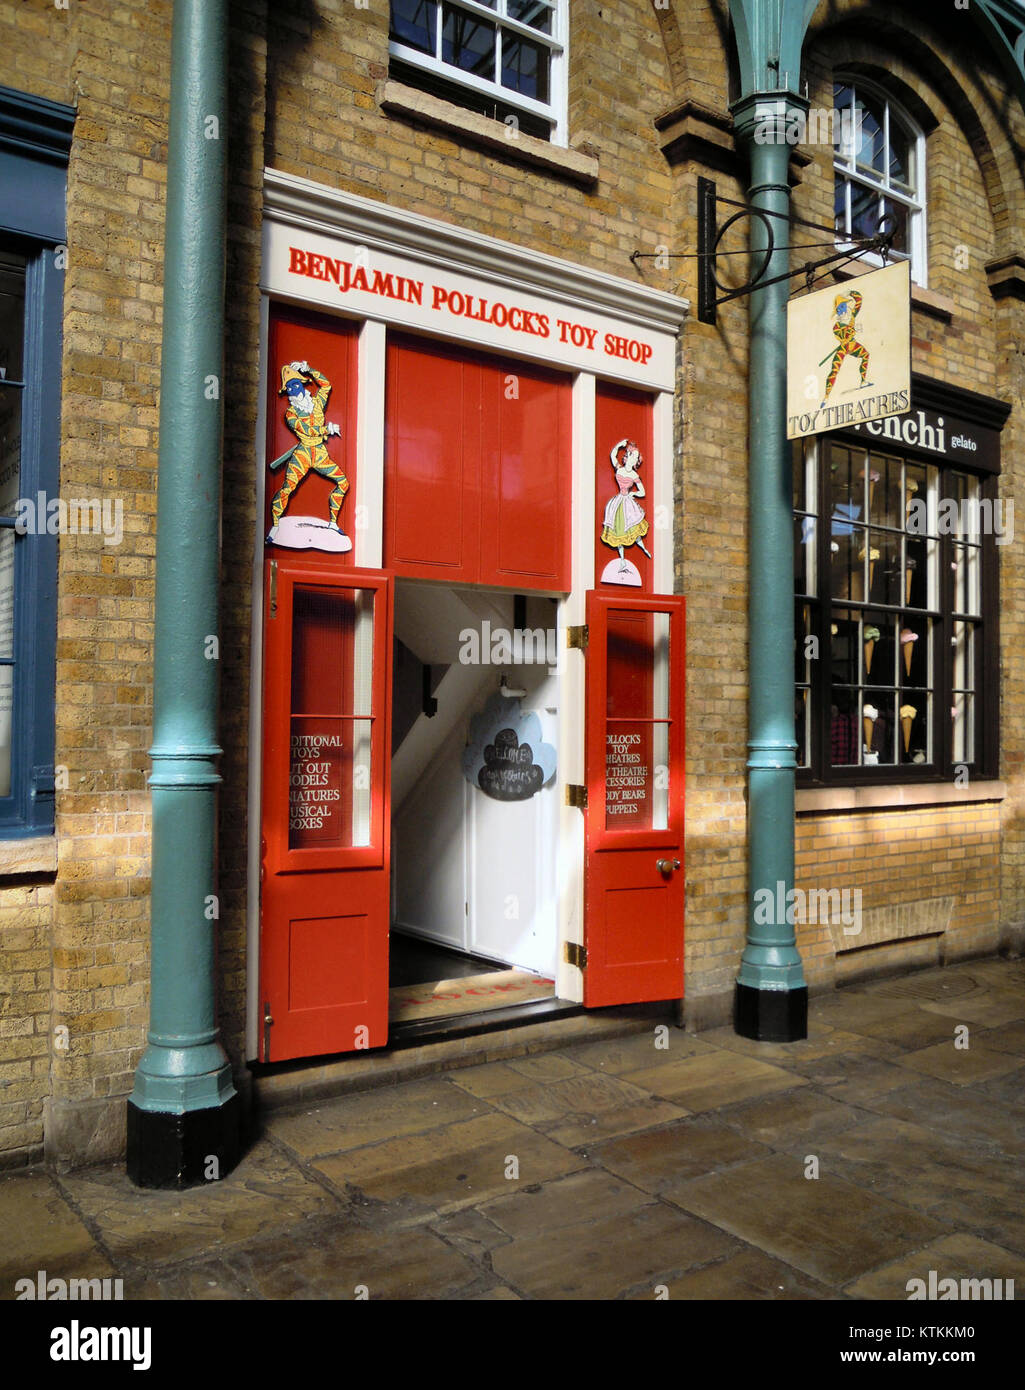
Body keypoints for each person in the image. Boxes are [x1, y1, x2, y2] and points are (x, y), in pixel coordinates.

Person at [269, 360, 348, 533]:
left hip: (320, 454)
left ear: (302, 385)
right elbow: (306, 429)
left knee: (343, 483)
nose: (293, 391)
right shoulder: (291, 413)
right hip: (303, 454)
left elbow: (326, 386)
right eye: (289, 388)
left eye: (295, 385)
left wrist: (309, 369)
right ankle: (274, 526)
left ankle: (333, 523)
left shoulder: (317, 403)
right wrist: (325, 429)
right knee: (287, 488)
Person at [601, 439, 653, 574]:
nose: (633, 459)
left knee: (632, 527)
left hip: (627, 502)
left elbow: (643, 491)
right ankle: (622, 560)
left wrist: (633, 494)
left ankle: (643, 548)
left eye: (636, 457)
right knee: (618, 530)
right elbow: (612, 456)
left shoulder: (634, 475)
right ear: (627, 457)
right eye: (632, 456)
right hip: (618, 502)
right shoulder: (620, 469)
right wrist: (619, 445)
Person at [820, 290, 871, 408]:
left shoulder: (851, 316)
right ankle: (826, 397)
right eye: (840, 308)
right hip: (844, 347)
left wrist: (850, 293)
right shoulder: (837, 326)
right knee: (834, 370)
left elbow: (859, 301)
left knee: (866, 355)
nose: (843, 309)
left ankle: (863, 381)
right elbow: (842, 335)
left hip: (853, 345)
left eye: (844, 306)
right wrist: (851, 330)